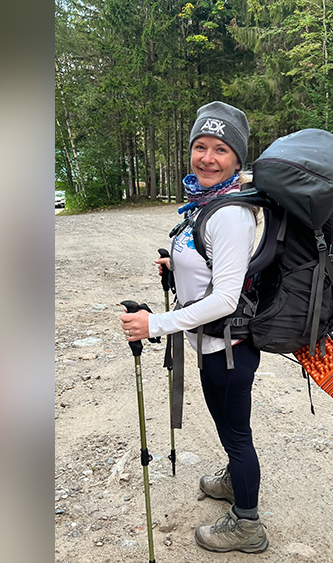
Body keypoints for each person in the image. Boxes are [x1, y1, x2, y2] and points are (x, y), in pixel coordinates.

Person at [119, 101, 268, 554]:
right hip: (213, 343)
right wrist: (175, 266)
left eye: (220, 149)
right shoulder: (208, 203)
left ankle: (248, 525)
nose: (207, 157)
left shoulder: (229, 213)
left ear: (238, 160)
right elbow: (209, 268)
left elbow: (225, 296)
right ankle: (232, 481)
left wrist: (155, 324)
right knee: (229, 428)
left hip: (227, 348)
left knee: (236, 434)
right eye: (200, 146)